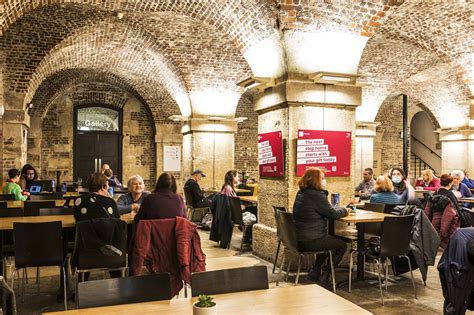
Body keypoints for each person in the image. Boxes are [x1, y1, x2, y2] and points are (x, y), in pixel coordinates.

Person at [292, 167, 349, 287]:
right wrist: (345, 210)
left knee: (327, 240)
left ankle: (315, 271)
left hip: (300, 238)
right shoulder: (316, 196)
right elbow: (332, 214)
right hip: (310, 240)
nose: (325, 181)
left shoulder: (302, 193)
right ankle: (326, 275)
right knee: (341, 245)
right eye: (322, 178)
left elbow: (326, 211)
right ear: (315, 180)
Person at [424, 174, 460, 248]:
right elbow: (456, 209)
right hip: (447, 224)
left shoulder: (434, 194)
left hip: (433, 223)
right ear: (450, 184)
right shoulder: (450, 195)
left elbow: (428, 211)